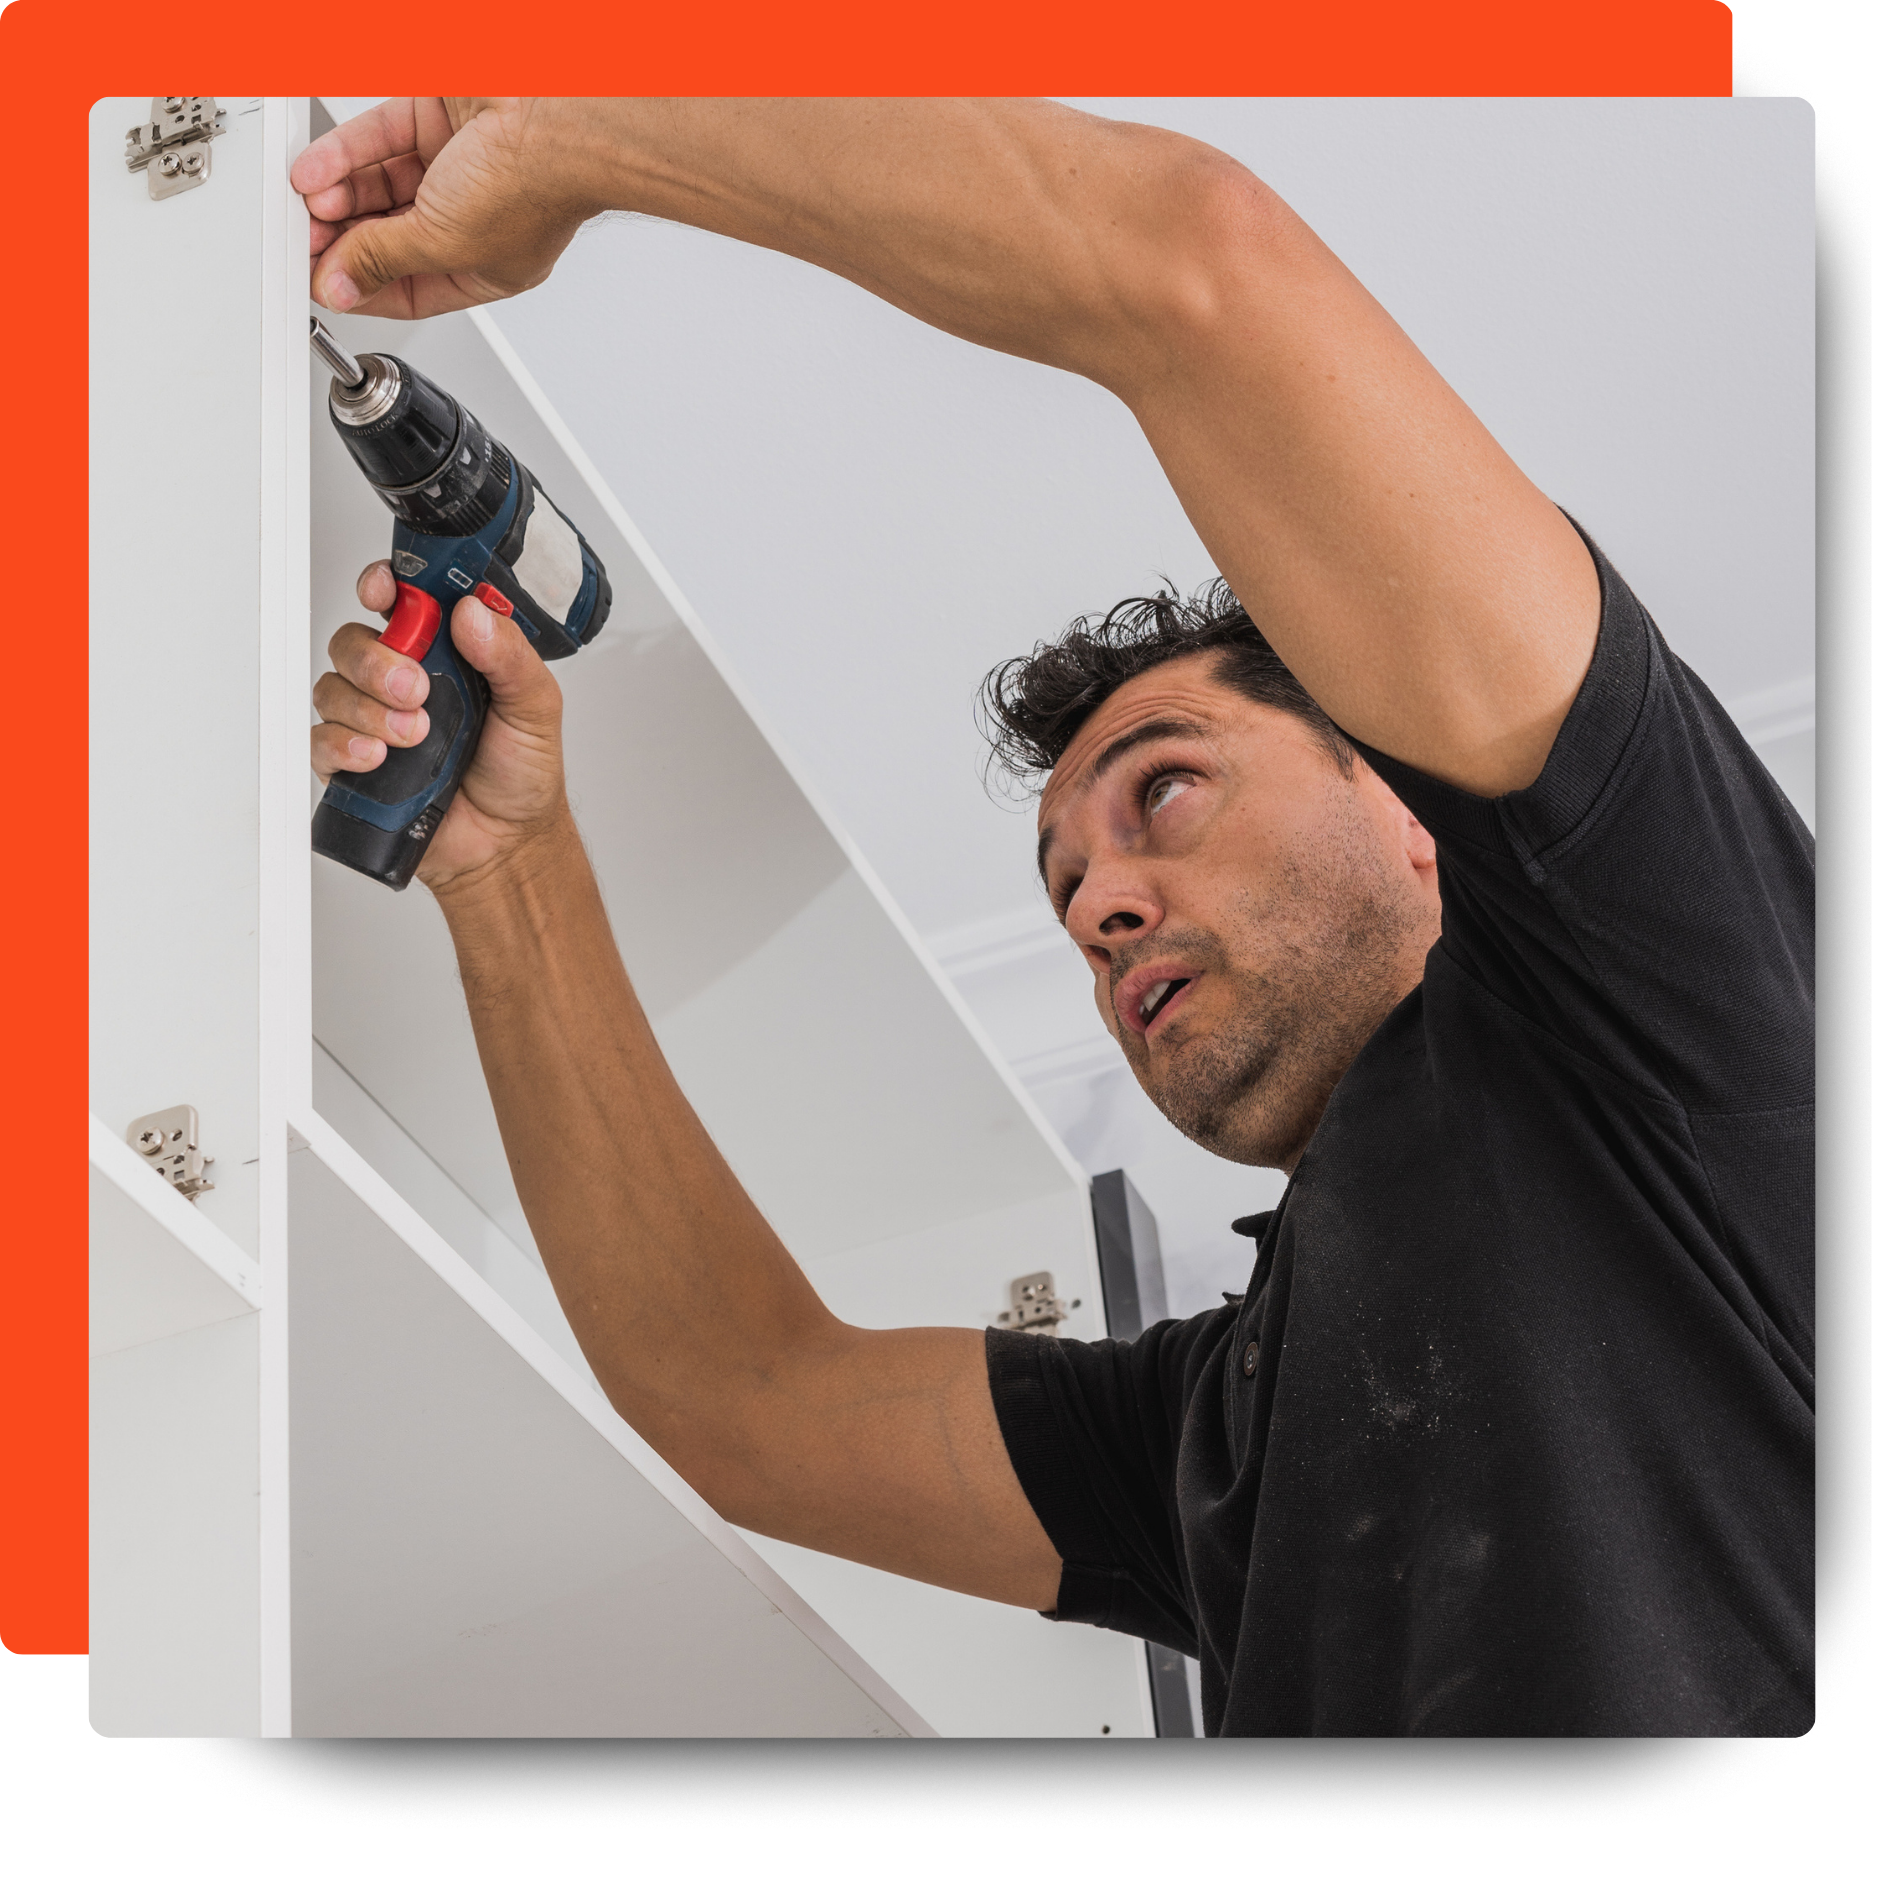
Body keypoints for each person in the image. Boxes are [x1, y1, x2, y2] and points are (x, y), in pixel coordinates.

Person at [294, 98, 1814, 1737]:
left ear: (1401, 797)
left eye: (1160, 789)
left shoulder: (1682, 1002)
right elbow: (743, 1399)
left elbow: (1188, 261)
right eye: (1063, 880)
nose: (1095, 904)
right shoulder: (1222, 1435)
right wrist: (507, 870)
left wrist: (588, 127)